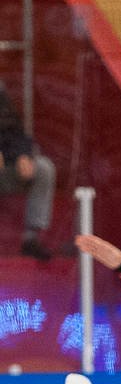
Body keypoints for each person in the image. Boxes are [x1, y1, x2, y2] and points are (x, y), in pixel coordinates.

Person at [0, 81, 56, 260]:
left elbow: (15, 131)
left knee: (43, 168)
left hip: (5, 167)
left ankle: (31, 238)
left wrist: (22, 155)